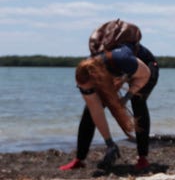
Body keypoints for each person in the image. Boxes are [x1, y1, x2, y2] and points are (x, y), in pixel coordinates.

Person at [59, 42, 159, 171]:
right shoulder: (84, 75)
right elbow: (96, 111)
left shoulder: (122, 59)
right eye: (86, 90)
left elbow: (145, 74)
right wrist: (109, 142)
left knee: (137, 101)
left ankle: (142, 158)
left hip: (145, 67)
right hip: (116, 73)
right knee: (89, 112)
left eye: (91, 89)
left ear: (97, 80)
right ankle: (79, 159)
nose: (88, 92)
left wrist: (126, 97)